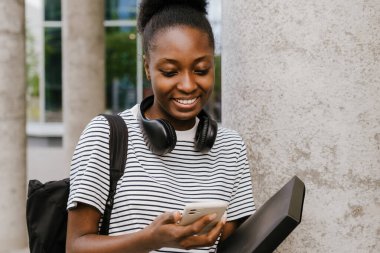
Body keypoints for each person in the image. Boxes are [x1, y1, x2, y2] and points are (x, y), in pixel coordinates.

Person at [66, 0, 256, 252]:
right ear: (148, 67)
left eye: (201, 70)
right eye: (169, 72)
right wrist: (152, 239)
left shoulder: (231, 147)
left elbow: (232, 244)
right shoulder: (107, 135)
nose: (188, 85)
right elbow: (75, 245)